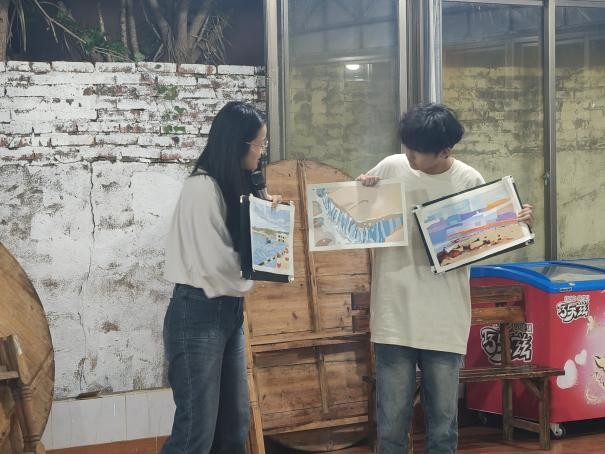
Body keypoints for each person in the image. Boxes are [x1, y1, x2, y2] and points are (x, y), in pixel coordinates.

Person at [357, 103, 533, 454]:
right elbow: (357, 217)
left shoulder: (469, 180)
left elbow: (486, 239)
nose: (409, 155)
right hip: (393, 316)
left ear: (445, 151)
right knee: (390, 426)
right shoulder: (391, 166)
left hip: (444, 319)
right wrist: (362, 190)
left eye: (417, 151)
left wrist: (516, 224)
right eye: (406, 145)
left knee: (442, 427)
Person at [162, 101, 280, 454]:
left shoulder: (233, 184)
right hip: (197, 312)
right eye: (259, 144)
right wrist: (259, 270)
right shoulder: (202, 187)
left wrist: (267, 215)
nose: (261, 151)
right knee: (195, 432)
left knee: (234, 425)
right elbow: (216, 264)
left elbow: (243, 244)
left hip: (228, 311)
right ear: (238, 144)